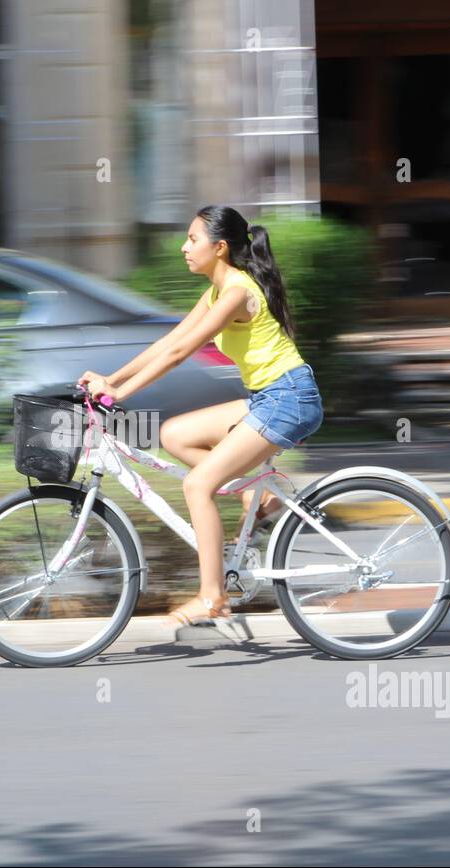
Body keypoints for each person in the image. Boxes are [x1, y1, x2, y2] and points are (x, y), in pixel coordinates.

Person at [78, 205, 323, 629]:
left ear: (220, 247)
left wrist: (120, 393)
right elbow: (170, 340)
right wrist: (110, 378)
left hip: (288, 400)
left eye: (192, 239)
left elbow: (179, 354)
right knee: (174, 434)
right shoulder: (216, 289)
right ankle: (259, 497)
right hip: (267, 397)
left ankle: (213, 597)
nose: (183, 247)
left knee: (197, 485)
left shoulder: (235, 292)